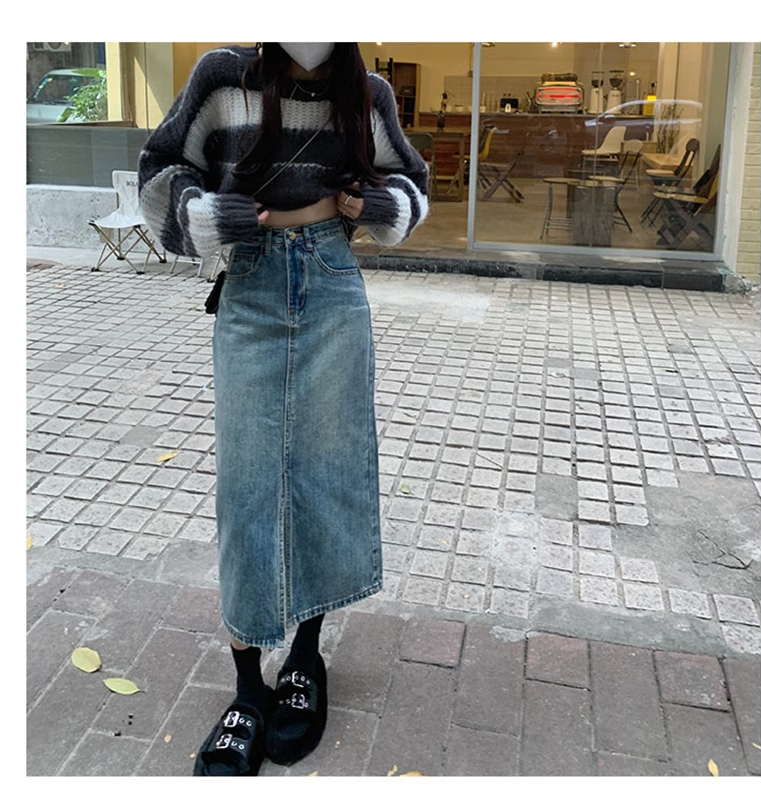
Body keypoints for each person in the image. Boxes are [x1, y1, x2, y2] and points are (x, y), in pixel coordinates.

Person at [138, 42, 428, 775]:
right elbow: (161, 167)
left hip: (333, 280)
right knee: (248, 488)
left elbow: (413, 181)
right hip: (252, 283)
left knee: (325, 474)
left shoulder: (366, 92)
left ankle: (304, 658)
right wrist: (211, 214)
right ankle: (247, 689)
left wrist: (377, 205)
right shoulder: (223, 77)